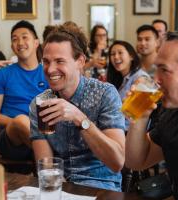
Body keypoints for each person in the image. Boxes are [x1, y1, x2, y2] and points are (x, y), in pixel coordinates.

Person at [30, 25, 125, 191]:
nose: (50, 69)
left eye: (59, 61)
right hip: (61, 186)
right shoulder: (40, 103)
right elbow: (46, 166)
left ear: (80, 61)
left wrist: (79, 118)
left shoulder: (105, 94)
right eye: (46, 62)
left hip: (100, 185)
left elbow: (116, 162)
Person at [125, 31, 178, 199]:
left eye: (164, 70)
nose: (155, 79)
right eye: (156, 68)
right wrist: (141, 116)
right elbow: (136, 161)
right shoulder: (173, 112)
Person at [0, 20, 49, 162]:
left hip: (42, 133)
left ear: (36, 42)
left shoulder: (47, 74)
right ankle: (52, 168)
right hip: (10, 136)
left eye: (24, 37)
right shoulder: (2, 74)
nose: (20, 42)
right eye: (15, 39)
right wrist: (19, 123)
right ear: (12, 46)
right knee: (21, 121)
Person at [107, 40, 149, 130]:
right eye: (112, 54)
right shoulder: (119, 78)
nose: (116, 57)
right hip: (116, 127)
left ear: (131, 56)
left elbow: (133, 113)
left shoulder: (140, 78)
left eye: (120, 53)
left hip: (130, 131)